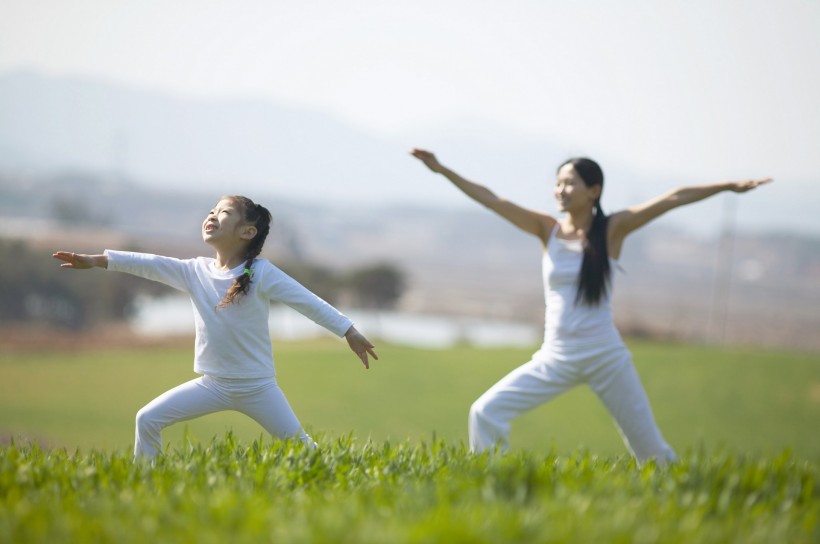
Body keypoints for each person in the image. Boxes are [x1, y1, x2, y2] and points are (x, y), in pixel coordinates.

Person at [411, 148, 771, 465]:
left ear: (593, 191)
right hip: (554, 358)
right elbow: (492, 199)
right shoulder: (545, 229)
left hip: (605, 356)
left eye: (570, 183)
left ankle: (685, 492)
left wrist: (726, 186)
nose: (560, 190)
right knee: (484, 413)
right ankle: (490, 479)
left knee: (652, 455)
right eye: (558, 183)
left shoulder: (613, 229)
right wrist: (443, 170)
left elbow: (673, 198)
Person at [53, 195, 378, 460]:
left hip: (258, 388)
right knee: (147, 419)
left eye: (223, 213)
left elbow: (307, 302)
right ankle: (145, 485)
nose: (212, 216)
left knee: (304, 450)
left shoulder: (262, 273)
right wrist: (99, 260)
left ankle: (351, 480)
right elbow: (150, 264)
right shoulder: (194, 271)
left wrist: (348, 330)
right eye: (211, 211)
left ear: (247, 232)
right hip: (213, 385)